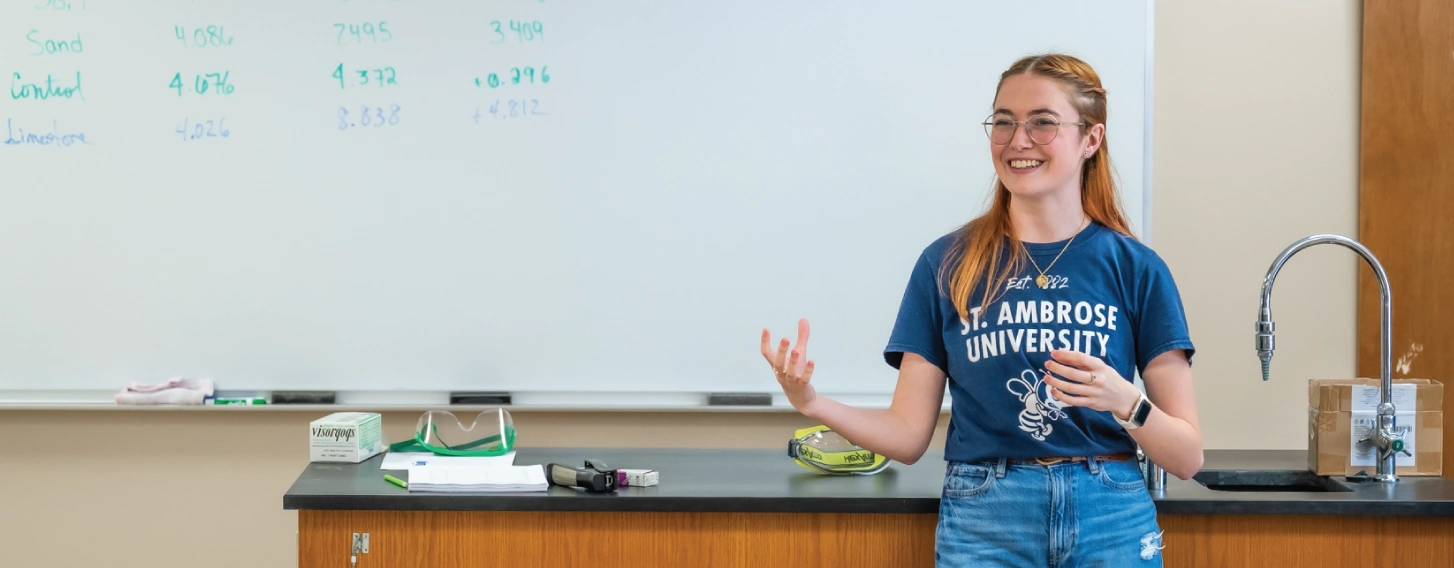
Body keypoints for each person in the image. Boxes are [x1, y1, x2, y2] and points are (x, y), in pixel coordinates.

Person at [760, 53, 1202, 567]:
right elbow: (906, 436)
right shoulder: (946, 264)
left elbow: (1187, 457)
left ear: (1091, 140)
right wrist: (813, 402)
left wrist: (1126, 401)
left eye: (1042, 123)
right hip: (986, 515)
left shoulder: (1137, 268)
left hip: (1111, 512)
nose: (1018, 140)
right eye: (1004, 122)